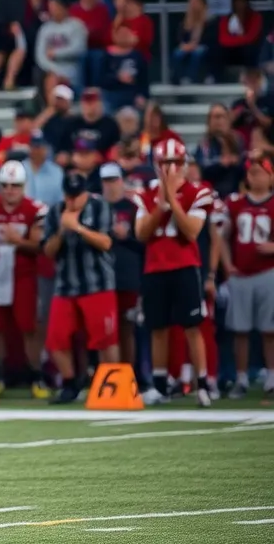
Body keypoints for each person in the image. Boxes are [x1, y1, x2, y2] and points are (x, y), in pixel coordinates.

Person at [135, 138, 214, 407]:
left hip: (185, 266)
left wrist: (172, 200)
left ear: (184, 164)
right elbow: (142, 234)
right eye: (164, 162)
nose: (170, 168)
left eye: (175, 162)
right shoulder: (145, 194)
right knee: (158, 328)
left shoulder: (198, 192)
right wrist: (161, 204)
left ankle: (202, 384)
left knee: (192, 326)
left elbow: (191, 231)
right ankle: (160, 385)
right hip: (155, 267)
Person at [42, 171, 118, 403]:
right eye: (69, 195)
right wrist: (62, 231)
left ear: (85, 193)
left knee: (105, 339)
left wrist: (78, 228)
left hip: (98, 284)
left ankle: (111, 384)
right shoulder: (55, 211)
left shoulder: (100, 207)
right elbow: (48, 251)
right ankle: (70, 383)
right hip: (65, 286)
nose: (72, 201)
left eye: (77, 195)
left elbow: (106, 242)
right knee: (56, 339)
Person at [0, 161, 50, 398]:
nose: (10, 190)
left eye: (15, 185)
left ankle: (37, 375)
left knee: (29, 326)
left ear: (24, 186)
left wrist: (18, 241)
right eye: (5, 185)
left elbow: (39, 245)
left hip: (23, 274)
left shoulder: (35, 209)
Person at [219, 156, 274, 399]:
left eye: (260, 173)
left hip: (268, 272)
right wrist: (227, 264)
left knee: (269, 329)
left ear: (270, 176)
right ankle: (240, 378)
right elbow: (222, 236)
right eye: (251, 173)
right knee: (239, 330)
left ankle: (271, 377)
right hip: (240, 274)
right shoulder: (235, 203)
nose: (255, 177)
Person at [101, 163, 142, 368]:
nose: (110, 185)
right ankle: (105, 374)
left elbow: (144, 243)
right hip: (101, 277)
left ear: (121, 181)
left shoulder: (133, 208)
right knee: (104, 329)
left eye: (113, 180)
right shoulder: (96, 207)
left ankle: (128, 374)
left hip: (127, 275)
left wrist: (127, 237)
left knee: (127, 328)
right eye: (106, 181)